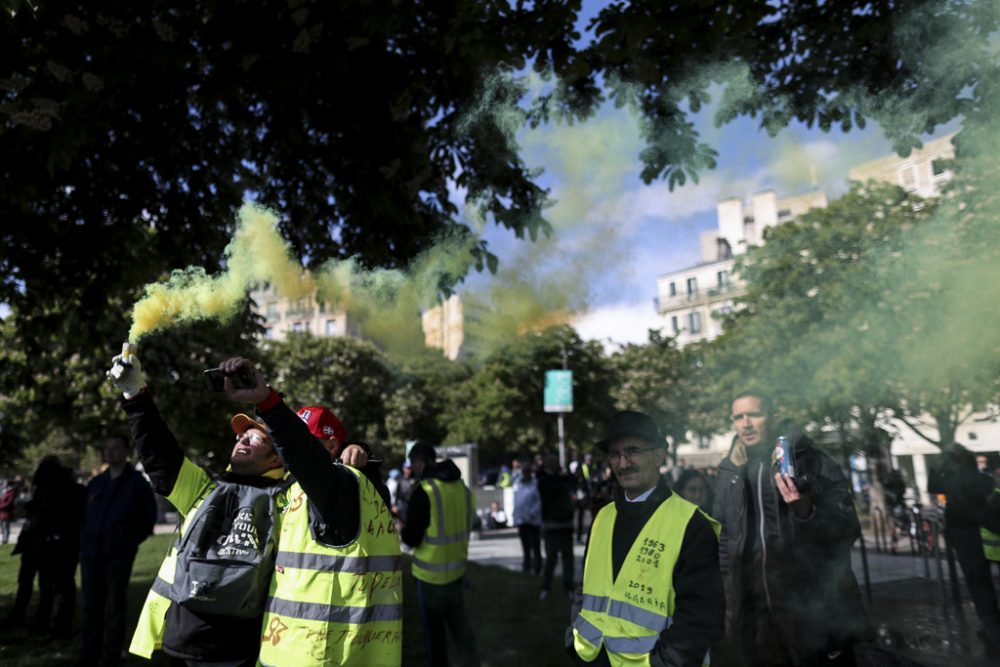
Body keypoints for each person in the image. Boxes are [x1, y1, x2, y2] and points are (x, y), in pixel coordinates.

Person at [107, 345, 289, 666]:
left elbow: (317, 468)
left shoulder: (288, 498)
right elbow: (160, 453)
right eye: (240, 436)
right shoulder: (205, 488)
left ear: (277, 457)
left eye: (255, 437)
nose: (242, 439)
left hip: (242, 648)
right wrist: (135, 394)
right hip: (182, 642)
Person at [216, 357, 403, 666]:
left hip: (319, 654)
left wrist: (267, 401)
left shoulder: (339, 485)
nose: (285, 450)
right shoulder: (297, 488)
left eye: (306, 441)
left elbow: (302, 452)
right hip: (290, 650)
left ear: (330, 447)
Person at [714, 391, 870, 667]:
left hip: (811, 617)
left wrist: (805, 510)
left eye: (754, 414)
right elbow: (724, 546)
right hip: (754, 623)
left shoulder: (812, 462)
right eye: (738, 417)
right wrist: (727, 614)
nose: (746, 423)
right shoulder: (729, 472)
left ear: (773, 416)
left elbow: (847, 530)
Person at [568, 410, 724, 667]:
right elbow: (584, 589)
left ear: (659, 455)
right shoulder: (603, 517)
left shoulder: (691, 524)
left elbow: (700, 618)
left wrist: (664, 662)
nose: (623, 463)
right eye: (615, 454)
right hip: (593, 659)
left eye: (633, 451)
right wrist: (573, 638)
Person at [77, 434, 158, 667]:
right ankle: (89, 654)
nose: (110, 452)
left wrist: (127, 541)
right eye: (107, 448)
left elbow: (147, 518)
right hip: (91, 555)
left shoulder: (136, 484)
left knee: (114, 605)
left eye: (115, 448)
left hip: (117, 555)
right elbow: (84, 517)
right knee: (91, 606)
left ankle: (112, 655)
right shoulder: (96, 483)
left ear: (126, 451)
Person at [400, 441, 479, 667]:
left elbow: (410, 538)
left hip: (429, 579)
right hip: (456, 575)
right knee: (461, 632)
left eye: (413, 465)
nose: (413, 470)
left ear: (419, 462)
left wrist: (404, 529)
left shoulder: (424, 491)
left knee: (435, 640)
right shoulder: (462, 489)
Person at [928, 443, 999, 654]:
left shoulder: (951, 481)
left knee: (978, 582)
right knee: (986, 579)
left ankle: (990, 624)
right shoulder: (984, 479)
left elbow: (933, 486)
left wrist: (936, 467)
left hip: (965, 537)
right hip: (988, 535)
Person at [537, 453, 576, 601]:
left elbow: (573, 481)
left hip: (565, 525)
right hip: (552, 525)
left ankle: (568, 587)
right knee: (551, 559)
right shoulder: (544, 481)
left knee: (568, 559)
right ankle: (546, 588)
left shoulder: (560, 478)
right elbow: (555, 490)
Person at [513, 463, 542, 575]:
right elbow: (516, 501)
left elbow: (539, 502)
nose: (525, 474)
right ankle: (527, 566)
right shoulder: (518, 484)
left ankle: (537, 567)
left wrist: (532, 513)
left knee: (535, 546)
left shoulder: (535, 484)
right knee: (525, 546)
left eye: (527, 472)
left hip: (533, 521)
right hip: (522, 521)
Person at [0, 476, 22, 544]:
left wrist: (1, 506)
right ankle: (3, 539)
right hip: (1, 512)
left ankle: (5, 540)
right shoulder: (3, 492)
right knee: (2, 527)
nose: (4, 484)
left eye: (5, 483)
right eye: (3, 483)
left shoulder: (10, 492)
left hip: (6, 512)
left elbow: (9, 502)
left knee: (6, 526)